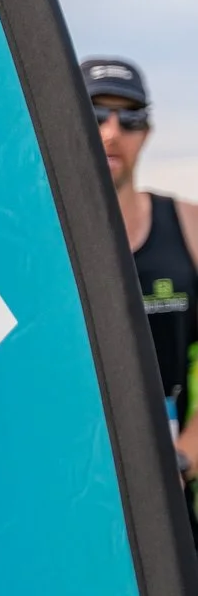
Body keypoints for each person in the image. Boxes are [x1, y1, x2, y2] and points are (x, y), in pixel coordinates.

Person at [90, 57, 198, 488]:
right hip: (76, 491)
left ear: (147, 132)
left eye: (130, 118)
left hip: (166, 498)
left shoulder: (188, 227)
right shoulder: (36, 243)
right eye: (96, 114)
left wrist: (186, 456)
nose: (112, 132)